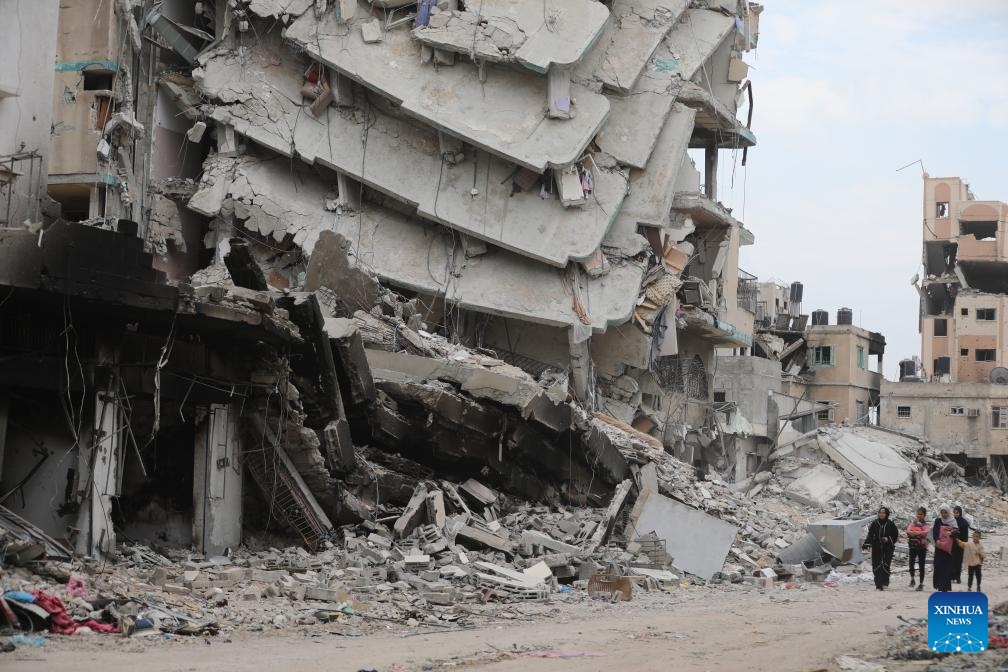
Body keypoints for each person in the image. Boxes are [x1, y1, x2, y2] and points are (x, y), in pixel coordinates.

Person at [864, 506, 898, 590]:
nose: (881, 514)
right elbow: (870, 535)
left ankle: (884, 582)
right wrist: (867, 543)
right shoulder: (875, 523)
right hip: (877, 547)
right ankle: (878, 584)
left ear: (887, 514)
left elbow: (895, 535)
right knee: (876, 564)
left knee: (886, 564)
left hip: (888, 548)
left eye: (883, 513)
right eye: (880, 513)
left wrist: (888, 539)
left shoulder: (890, 524)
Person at [932, 504, 958, 592]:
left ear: (948, 512)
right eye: (942, 512)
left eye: (945, 512)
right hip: (939, 548)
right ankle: (939, 585)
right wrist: (937, 541)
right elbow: (935, 532)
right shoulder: (938, 521)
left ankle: (945, 587)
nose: (943, 514)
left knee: (946, 568)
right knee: (938, 566)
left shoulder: (953, 521)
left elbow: (957, 533)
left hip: (948, 550)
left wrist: (951, 533)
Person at [906, 507, 929, 591]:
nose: (919, 516)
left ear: (924, 515)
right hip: (913, 545)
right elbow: (908, 531)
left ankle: (921, 583)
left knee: (921, 565)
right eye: (918, 514)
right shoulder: (913, 523)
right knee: (911, 562)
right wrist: (917, 533)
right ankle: (912, 579)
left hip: (922, 547)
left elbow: (926, 532)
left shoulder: (926, 525)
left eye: (921, 514)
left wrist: (916, 533)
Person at [951, 505, 971, 584]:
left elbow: (965, 535)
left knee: (958, 562)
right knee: (952, 561)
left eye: (957, 513)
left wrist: (964, 545)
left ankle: (958, 577)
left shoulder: (964, 523)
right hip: (952, 544)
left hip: (960, 544)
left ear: (960, 513)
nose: (956, 514)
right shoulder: (952, 521)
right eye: (954, 513)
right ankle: (952, 577)